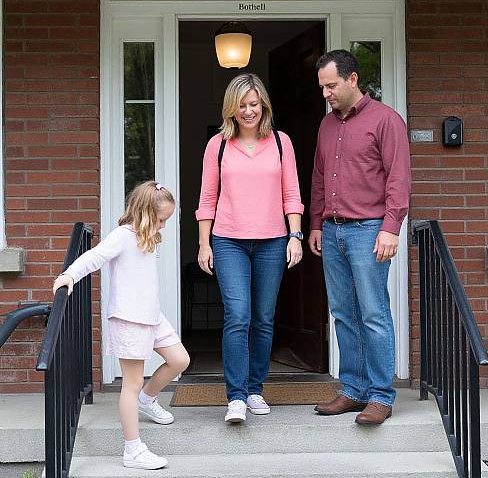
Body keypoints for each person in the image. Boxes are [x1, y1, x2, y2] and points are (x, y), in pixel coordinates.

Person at [53, 181, 190, 470]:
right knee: (132, 382)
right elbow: (94, 257)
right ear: (145, 214)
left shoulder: (147, 238)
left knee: (179, 360)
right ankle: (133, 449)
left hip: (152, 316)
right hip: (129, 319)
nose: (164, 225)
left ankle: (147, 399)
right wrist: (69, 275)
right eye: (162, 219)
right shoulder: (123, 236)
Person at [309, 50, 411, 425]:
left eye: (331, 85)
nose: (326, 93)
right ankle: (353, 390)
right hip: (333, 229)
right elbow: (319, 178)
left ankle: (381, 396)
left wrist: (390, 227)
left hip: (369, 230)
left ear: (352, 80)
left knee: (373, 313)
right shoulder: (326, 126)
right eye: (322, 87)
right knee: (343, 314)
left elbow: (399, 179)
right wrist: (316, 223)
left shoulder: (386, 121)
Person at [196, 73, 304, 423]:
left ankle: (256, 389)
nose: (248, 111)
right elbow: (207, 197)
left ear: (264, 106)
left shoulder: (282, 143)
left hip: (273, 240)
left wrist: (295, 235)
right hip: (228, 241)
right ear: (231, 108)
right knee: (238, 316)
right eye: (241, 105)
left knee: (263, 318)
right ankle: (236, 397)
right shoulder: (219, 145)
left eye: (254, 104)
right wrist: (203, 243)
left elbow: (292, 194)